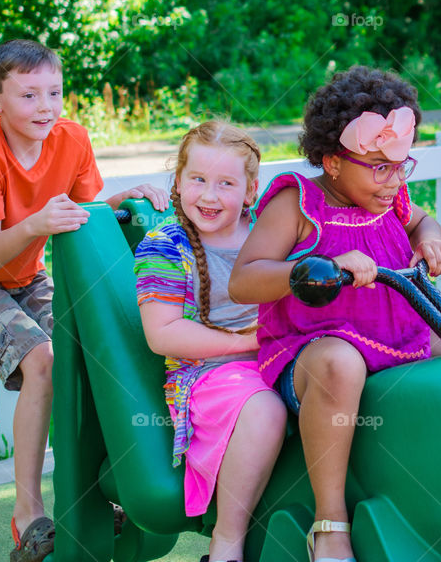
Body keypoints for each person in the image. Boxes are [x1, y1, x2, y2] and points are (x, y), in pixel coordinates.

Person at [228, 66, 441, 562]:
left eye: (400, 165)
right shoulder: (297, 203)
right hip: (312, 349)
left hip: (396, 336)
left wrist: (431, 240)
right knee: (340, 362)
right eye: (378, 167)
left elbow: (422, 219)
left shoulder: (390, 197)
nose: (393, 180)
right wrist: (316, 266)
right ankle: (330, 523)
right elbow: (243, 280)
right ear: (332, 161)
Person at [0, 39, 169, 562]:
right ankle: (27, 511)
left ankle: (98, 491)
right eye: (28, 95)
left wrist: (121, 201)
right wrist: (36, 223)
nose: (45, 107)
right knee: (43, 361)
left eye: (54, 92)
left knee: (91, 354)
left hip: (26, 273)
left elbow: (84, 209)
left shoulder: (71, 138)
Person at [134, 121, 287, 562]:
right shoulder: (166, 246)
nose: (209, 195)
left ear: (251, 190)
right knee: (266, 409)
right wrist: (251, 342)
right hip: (208, 374)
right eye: (198, 179)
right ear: (179, 181)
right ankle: (227, 540)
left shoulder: (269, 233)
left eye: (226, 183)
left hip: (279, 354)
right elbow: (163, 333)